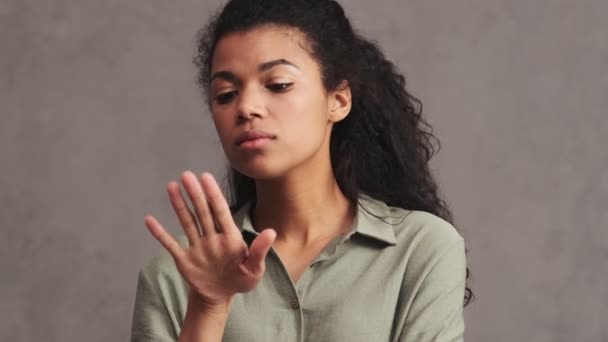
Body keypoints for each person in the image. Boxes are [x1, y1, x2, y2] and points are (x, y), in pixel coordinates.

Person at [130, 0, 473, 341]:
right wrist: (209, 305)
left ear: (338, 101)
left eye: (278, 85)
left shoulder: (421, 248)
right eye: (226, 94)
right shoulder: (177, 273)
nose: (246, 107)